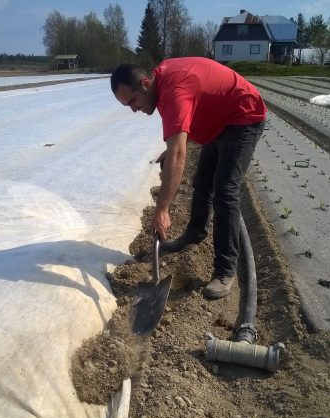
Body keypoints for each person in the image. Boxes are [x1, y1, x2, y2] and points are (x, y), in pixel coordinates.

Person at [110, 57, 266, 299]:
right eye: (127, 106)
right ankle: (194, 234)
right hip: (217, 119)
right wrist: (171, 149)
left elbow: (180, 154)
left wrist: (162, 209)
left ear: (144, 83)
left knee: (225, 190)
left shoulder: (174, 92)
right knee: (203, 182)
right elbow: (184, 127)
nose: (133, 109)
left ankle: (225, 270)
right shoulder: (159, 82)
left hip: (243, 116)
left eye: (133, 101)